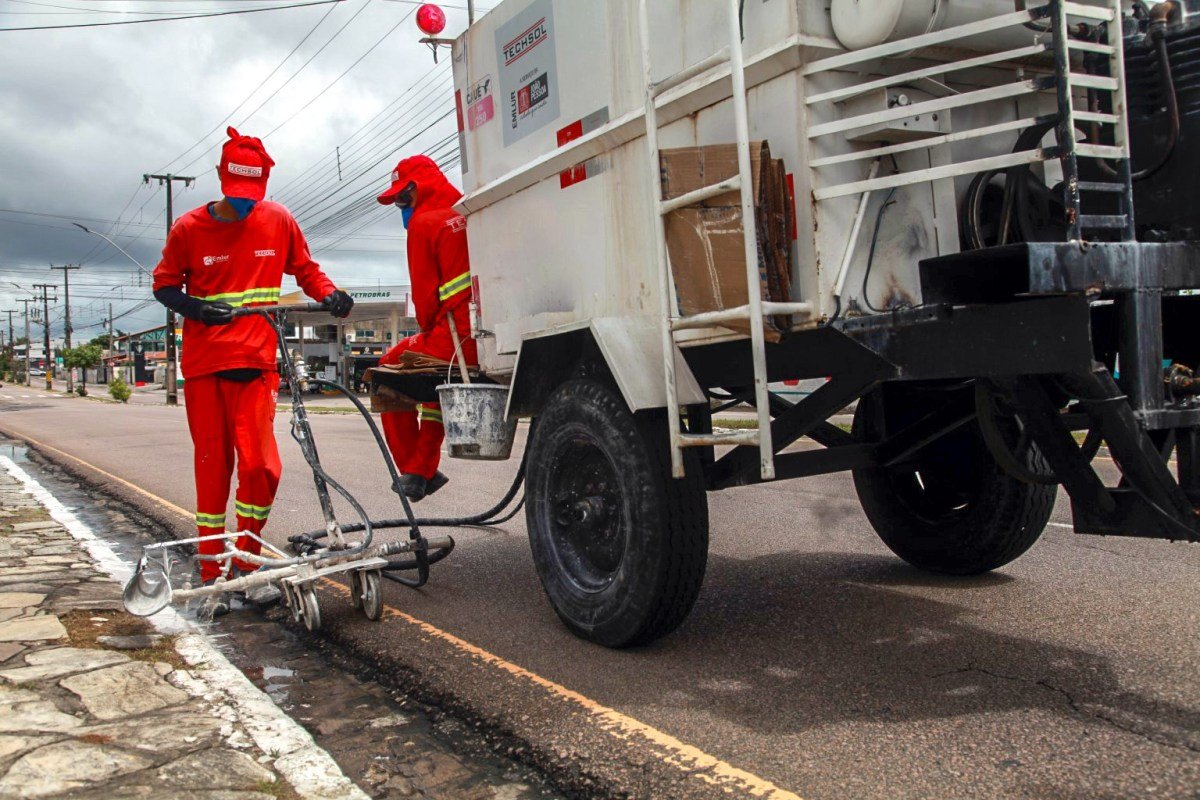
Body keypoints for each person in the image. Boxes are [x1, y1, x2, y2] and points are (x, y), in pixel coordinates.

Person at [152, 126, 354, 611]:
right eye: (236, 196)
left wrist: (328, 294)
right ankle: (210, 576)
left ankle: (244, 563)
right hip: (206, 368)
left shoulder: (277, 220)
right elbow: (163, 285)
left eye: (252, 197)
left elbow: (304, 267)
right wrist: (196, 309)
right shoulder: (188, 229)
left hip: (258, 363)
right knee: (213, 472)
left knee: (262, 467)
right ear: (223, 180)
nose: (244, 205)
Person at [375, 155, 476, 501]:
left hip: (456, 340)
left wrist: (426, 329)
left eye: (403, 198)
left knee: (387, 369)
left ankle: (415, 470)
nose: (402, 208)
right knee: (429, 377)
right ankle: (422, 468)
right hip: (486, 334)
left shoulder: (423, 223)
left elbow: (425, 303)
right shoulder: (470, 210)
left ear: (418, 189)